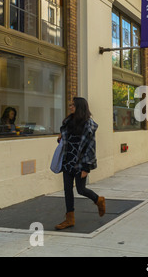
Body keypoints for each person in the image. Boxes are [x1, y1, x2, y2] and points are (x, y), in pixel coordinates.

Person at [55, 97, 106, 230]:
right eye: (70, 104)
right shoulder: (68, 122)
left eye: (73, 105)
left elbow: (90, 147)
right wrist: (60, 138)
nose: (70, 106)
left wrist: (86, 167)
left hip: (80, 163)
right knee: (67, 190)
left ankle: (98, 200)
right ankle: (69, 219)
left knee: (81, 189)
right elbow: (67, 141)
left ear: (80, 107)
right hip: (67, 161)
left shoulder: (88, 125)